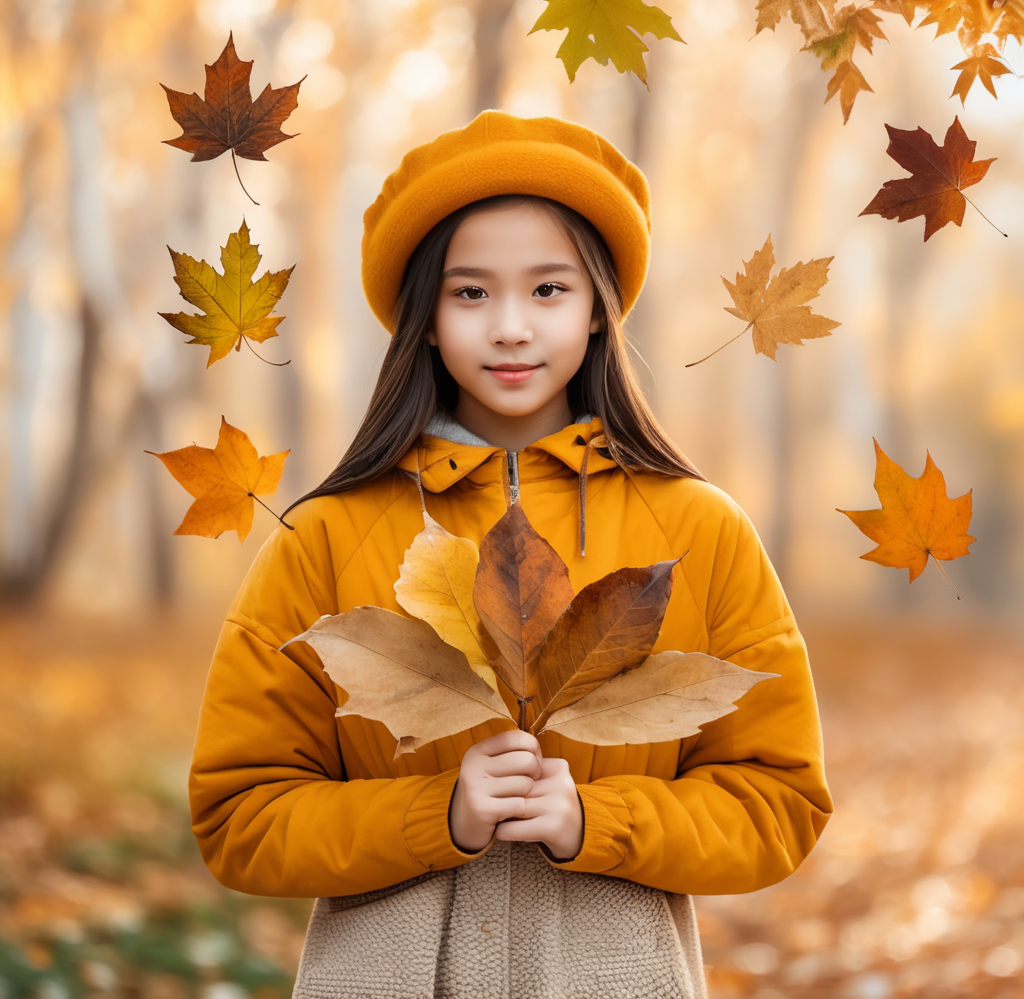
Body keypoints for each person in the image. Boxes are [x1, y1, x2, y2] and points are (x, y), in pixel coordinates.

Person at [188, 111, 832, 998]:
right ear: (423, 319)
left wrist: (596, 819)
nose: (512, 328)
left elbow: (778, 803)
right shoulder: (326, 538)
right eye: (471, 293)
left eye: (549, 290)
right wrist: (434, 811)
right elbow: (240, 815)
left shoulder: (700, 530)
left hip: (615, 974)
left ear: (600, 311)